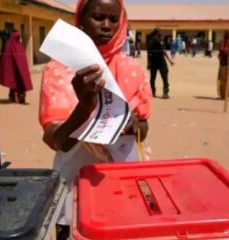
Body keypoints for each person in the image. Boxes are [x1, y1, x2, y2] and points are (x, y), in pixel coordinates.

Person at [39, 0, 152, 238]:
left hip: (122, 180)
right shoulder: (58, 70)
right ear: (80, 21)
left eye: (113, 19)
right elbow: (59, 141)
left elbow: (143, 126)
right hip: (75, 181)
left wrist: (134, 125)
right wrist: (85, 105)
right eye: (98, 17)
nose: (106, 26)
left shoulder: (132, 69)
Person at [0, 31, 33, 103]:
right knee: (16, 83)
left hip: (17, 70)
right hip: (15, 70)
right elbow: (7, 59)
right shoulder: (13, 46)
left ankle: (18, 98)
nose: (20, 39)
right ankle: (15, 98)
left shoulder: (15, 46)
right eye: (19, 37)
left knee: (17, 83)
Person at [147, 28, 174, 98]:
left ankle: (152, 92)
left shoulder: (150, 40)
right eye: (160, 33)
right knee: (165, 77)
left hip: (153, 61)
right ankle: (165, 93)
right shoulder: (159, 40)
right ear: (157, 33)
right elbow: (163, 51)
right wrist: (169, 60)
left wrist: (148, 63)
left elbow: (148, 53)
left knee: (152, 78)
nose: (161, 34)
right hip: (161, 61)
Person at [217, 31, 229, 99]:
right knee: (223, 79)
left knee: (226, 78)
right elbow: (221, 48)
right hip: (223, 61)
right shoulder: (223, 41)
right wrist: (227, 50)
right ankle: (226, 93)